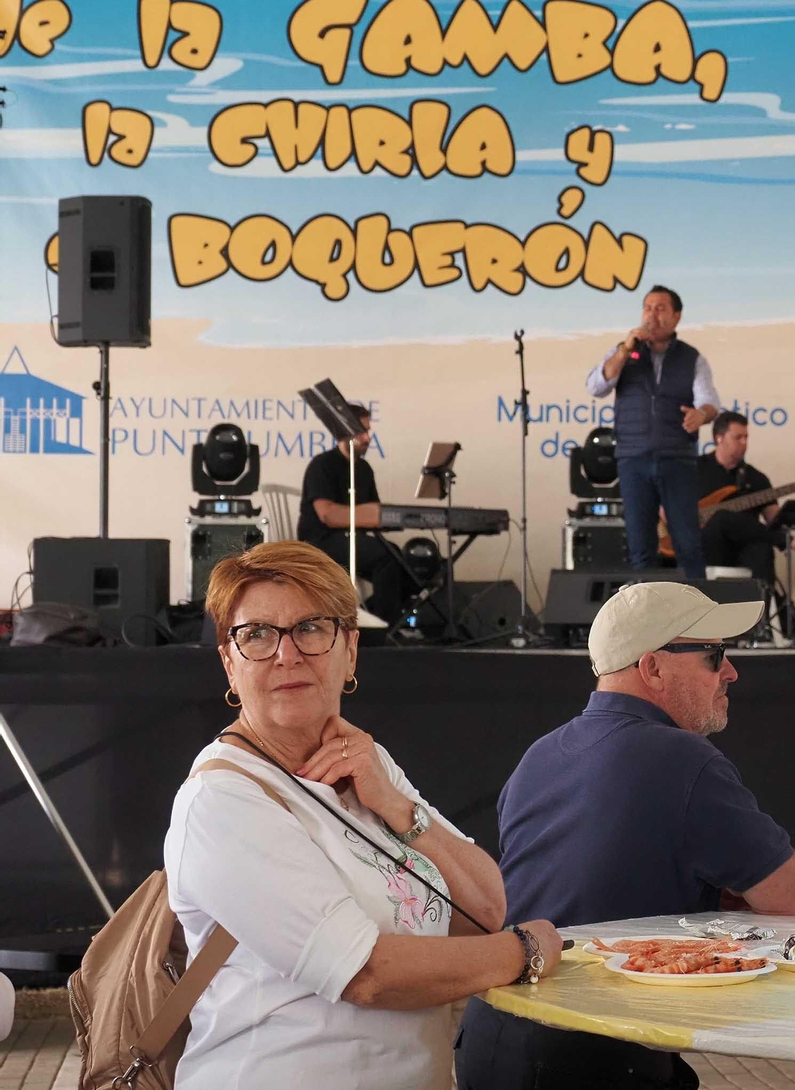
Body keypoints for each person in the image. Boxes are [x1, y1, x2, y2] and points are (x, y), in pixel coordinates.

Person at [164, 540, 561, 1089]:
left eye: (311, 628)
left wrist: (396, 806)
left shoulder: (366, 763)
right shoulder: (222, 800)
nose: (286, 654)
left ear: (350, 650)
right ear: (229, 663)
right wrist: (524, 952)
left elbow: (485, 909)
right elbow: (366, 974)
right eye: (256, 634)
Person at [456, 581, 795, 1090]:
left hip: (490, 1035)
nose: (731, 671)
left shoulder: (540, 754)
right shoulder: (684, 759)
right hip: (593, 1051)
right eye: (714, 656)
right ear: (652, 668)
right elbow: (794, 898)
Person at [585, 286, 720, 580]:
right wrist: (625, 349)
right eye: (647, 308)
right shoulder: (624, 351)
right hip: (633, 460)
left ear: (676, 316)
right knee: (640, 548)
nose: (651, 315)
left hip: (678, 460)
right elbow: (596, 386)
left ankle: (697, 609)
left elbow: (710, 403)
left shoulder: (692, 358)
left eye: (660, 309)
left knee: (687, 545)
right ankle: (645, 609)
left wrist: (701, 415)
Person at [297, 403, 407, 623]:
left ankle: (372, 619)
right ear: (343, 432)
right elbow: (328, 515)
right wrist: (371, 515)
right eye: (361, 432)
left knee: (409, 563)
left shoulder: (364, 469)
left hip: (354, 539)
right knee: (388, 558)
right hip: (321, 541)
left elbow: (375, 513)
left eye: (368, 431)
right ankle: (385, 627)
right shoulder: (322, 465)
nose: (367, 438)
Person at [698, 411, 795, 583]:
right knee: (721, 517)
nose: (744, 442)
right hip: (707, 545)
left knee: (762, 549)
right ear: (719, 438)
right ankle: (792, 543)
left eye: (746, 437)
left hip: (744, 548)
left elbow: (776, 522)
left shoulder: (756, 478)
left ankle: (765, 599)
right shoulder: (695, 469)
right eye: (738, 437)